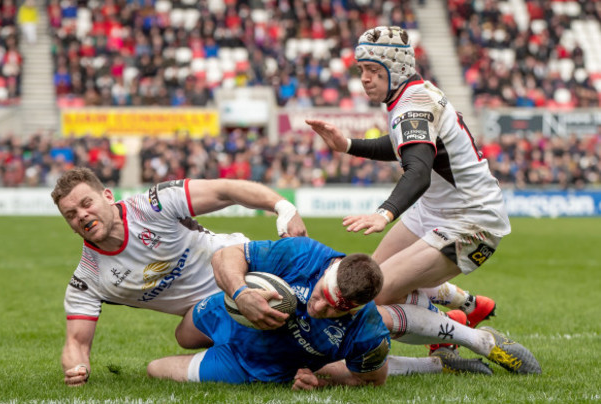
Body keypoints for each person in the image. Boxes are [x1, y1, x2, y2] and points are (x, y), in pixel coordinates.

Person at [305, 26, 510, 330]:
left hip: (471, 220)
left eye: (373, 70)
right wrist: (347, 145)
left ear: (397, 68)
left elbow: (418, 171)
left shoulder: (413, 103)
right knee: (366, 278)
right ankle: (467, 305)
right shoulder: (411, 94)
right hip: (436, 209)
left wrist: (383, 213)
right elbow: (404, 145)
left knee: (374, 296)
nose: (364, 77)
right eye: (361, 69)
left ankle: (453, 330)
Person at [147, 237, 539, 389]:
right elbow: (226, 255)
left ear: (352, 308)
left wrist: (318, 377)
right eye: (318, 295)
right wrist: (240, 292)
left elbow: (369, 379)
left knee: (154, 369)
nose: (317, 306)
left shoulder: (366, 327)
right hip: (229, 311)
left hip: (254, 366)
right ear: (325, 273)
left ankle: (441, 362)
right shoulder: (304, 254)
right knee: (183, 334)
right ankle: (461, 320)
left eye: (330, 309)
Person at [51, 167, 307, 386]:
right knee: (185, 336)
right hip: (209, 312)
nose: (81, 216)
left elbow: (225, 189)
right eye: (70, 215)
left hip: (248, 268)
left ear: (107, 196)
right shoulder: (88, 279)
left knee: (312, 314)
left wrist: (283, 207)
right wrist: (77, 370)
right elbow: (76, 343)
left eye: (86, 204)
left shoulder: (153, 205)